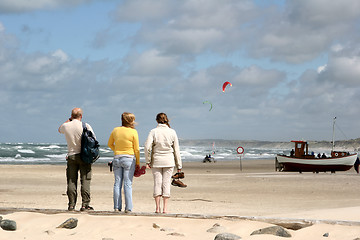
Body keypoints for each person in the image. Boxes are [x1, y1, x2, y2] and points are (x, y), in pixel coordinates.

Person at [58, 107, 96, 211]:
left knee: (71, 181)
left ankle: (71, 204)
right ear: (81, 116)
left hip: (71, 155)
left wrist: (68, 120)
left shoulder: (66, 126)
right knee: (85, 180)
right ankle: (85, 205)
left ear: (71, 116)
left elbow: (59, 129)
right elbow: (94, 140)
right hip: (84, 156)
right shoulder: (85, 125)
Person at [144, 113, 183, 214]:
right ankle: (165, 209)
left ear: (157, 120)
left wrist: (148, 161)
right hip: (169, 161)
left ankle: (157, 208)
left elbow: (147, 147)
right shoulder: (172, 132)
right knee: (166, 183)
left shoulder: (153, 131)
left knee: (157, 183)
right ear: (167, 120)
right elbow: (176, 150)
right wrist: (179, 166)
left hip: (156, 160)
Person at [108, 112, 140, 213]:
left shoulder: (115, 130)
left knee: (117, 183)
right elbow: (137, 149)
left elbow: (110, 144)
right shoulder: (133, 132)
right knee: (127, 183)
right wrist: (138, 162)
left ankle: (116, 207)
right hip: (129, 158)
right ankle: (128, 208)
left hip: (117, 158)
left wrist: (117, 150)